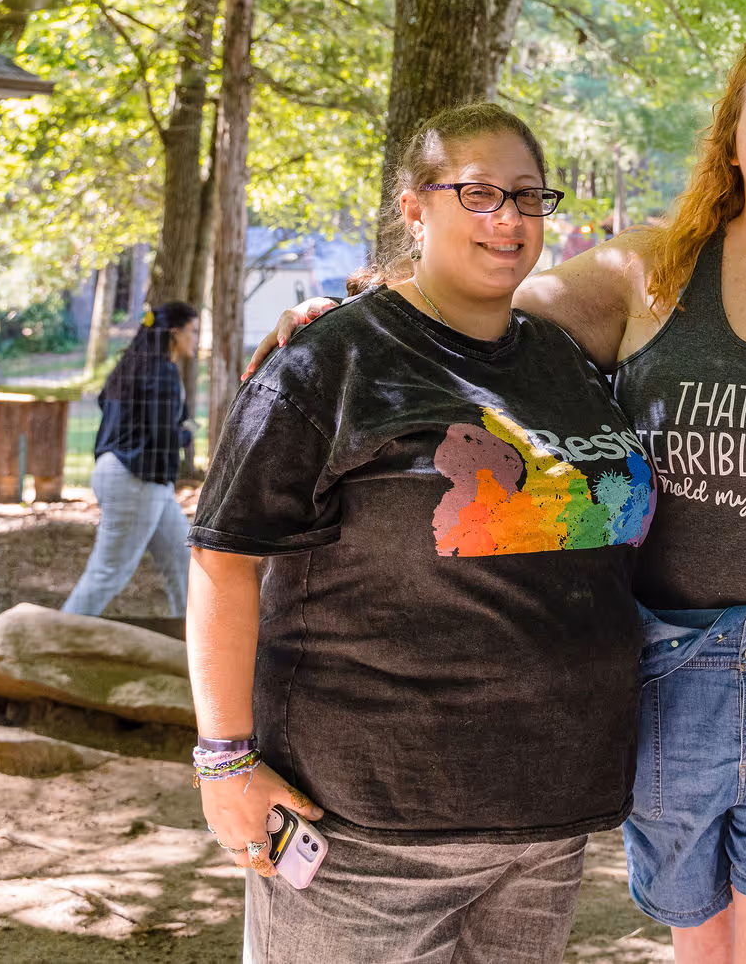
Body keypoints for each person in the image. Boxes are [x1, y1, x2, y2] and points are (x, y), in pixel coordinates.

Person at [252, 35, 746, 963]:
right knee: (703, 951)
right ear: (731, 139)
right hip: (665, 678)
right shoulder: (644, 273)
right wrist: (346, 315)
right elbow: (470, 323)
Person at [188, 103, 657, 964]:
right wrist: (224, 759)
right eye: (476, 192)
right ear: (414, 207)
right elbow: (223, 557)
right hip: (368, 832)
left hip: (546, 824)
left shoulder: (562, 360)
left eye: (526, 196)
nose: (507, 218)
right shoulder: (333, 360)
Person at [62, 301, 198, 617]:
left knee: (184, 562)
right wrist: (186, 435)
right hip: (135, 478)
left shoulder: (134, 364)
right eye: (193, 331)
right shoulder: (162, 370)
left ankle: (190, 648)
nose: (195, 339)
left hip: (120, 470)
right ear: (175, 333)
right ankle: (48, 646)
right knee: (108, 572)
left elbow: (111, 409)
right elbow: (163, 433)